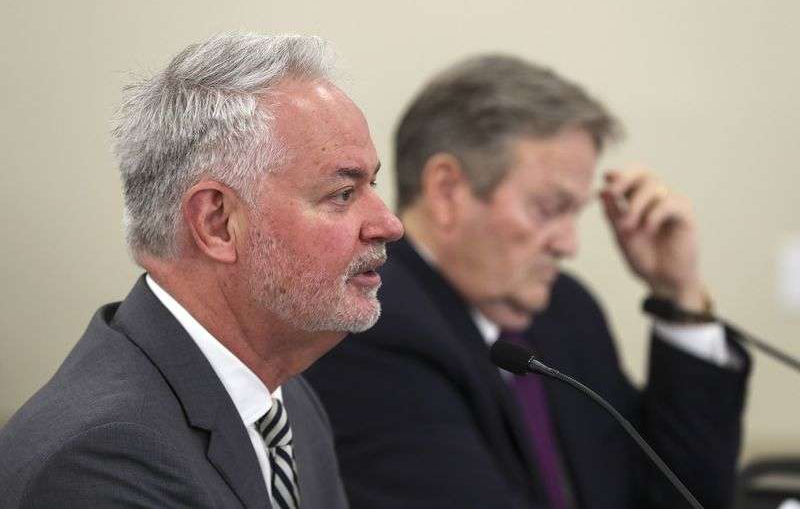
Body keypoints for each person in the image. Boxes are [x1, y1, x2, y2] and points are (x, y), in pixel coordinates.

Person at [305, 55, 751, 509]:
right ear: (446, 191)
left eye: (575, 213)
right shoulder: (368, 324)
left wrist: (680, 295)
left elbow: (682, 496)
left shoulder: (567, 310)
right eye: (548, 208)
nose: (569, 244)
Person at [0, 33, 403, 508]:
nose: (389, 225)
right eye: (342, 194)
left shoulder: (288, 400)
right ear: (217, 223)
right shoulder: (99, 460)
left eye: (371, 183)